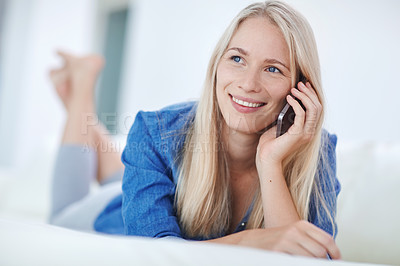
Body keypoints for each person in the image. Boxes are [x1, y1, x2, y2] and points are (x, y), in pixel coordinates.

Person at [49, 1, 341, 260]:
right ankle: (81, 89)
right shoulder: (155, 131)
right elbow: (153, 252)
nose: (249, 84)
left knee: (126, 175)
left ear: (301, 89)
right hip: (113, 210)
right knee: (60, 216)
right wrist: (254, 241)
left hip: (148, 183)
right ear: (216, 65)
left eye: (273, 69)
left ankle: (79, 102)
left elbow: (309, 259)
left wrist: (271, 163)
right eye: (237, 59)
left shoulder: (316, 149)